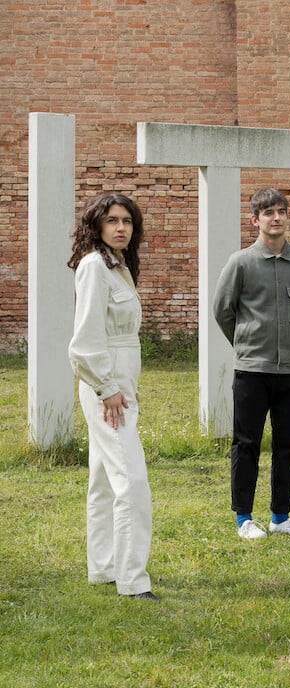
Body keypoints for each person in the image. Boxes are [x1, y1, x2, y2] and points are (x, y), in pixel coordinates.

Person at [214, 189, 290, 539]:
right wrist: (247, 343)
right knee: (247, 444)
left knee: (288, 446)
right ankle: (244, 518)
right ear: (254, 219)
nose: (276, 218)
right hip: (252, 371)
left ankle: (280, 516)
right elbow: (223, 311)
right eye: (268, 212)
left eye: (281, 211)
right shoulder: (240, 263)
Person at [68, 193, 158, 602]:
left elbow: (122, 340)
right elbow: (85, 342)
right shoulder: (94, 267)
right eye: (112, 221)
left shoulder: (118, 268)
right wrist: (107, 389)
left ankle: (103, 567)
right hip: (106, 391)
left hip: (119, 386)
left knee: (105, 480)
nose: (121, 228)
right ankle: (133, 580)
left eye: (127, 221)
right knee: (132, 481)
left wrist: (124, 384)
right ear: (97, 226)